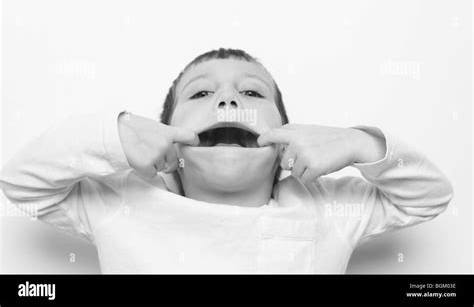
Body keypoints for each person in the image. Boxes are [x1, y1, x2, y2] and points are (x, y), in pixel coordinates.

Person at [0, 48, 453, 273]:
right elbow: (21, 186)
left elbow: (428, 198)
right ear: (166, 148)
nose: (229, 100)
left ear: (288, 143)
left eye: (252, 92)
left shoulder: (324, 206)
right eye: (201, 93)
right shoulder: (118, 200)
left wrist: (360, 144)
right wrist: (112, 135)